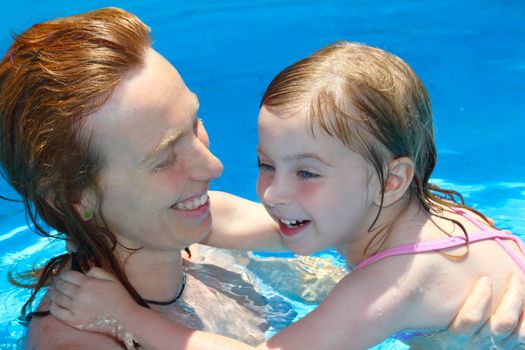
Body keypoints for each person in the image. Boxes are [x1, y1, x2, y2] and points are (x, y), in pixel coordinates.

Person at [0, 7, 521, 349]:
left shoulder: (192, 238)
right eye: (164, 158)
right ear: (76, 198)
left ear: (393, 179)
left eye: (194, 124)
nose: (214, 167)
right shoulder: (80, 336)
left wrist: (445, 325)